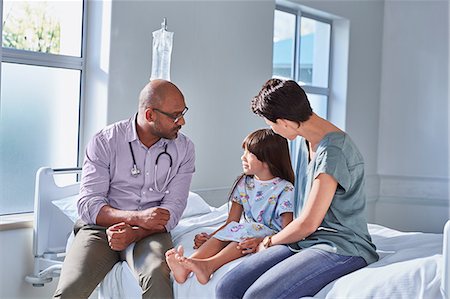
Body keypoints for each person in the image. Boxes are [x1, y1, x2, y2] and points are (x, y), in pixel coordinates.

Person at [216, 79, 379, 299]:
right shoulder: (305, 142)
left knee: (258, 296)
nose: (272, 130)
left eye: (271, 125)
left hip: (341, 246)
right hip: (306, 240)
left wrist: (268, 242)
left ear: (284, 122)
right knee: (228, 286)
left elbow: (309, 222)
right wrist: (272, 237)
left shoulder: (333, 152)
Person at [53, 79, 195, 299]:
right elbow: (88, 205)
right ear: (150, 115)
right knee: (70, 290)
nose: (182, 121)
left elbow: (173, 209)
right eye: (175, 115)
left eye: (183, 112)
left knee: (157, 276)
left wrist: (137, 231)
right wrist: (138, 218)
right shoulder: (105, 141)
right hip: (100, 229)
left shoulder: (184, 149)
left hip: (151, 232)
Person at [165, 128, 295, 285]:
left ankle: (209, 265)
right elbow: (231, 222)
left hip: (269, 234)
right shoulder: (244, 183)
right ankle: (187, 264)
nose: (243, 157)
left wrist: (262, 240)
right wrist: (210, 237)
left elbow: (288, 230)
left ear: (268, 159)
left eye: (249, 154)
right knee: (235, 229)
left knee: (245, 231)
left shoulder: (285, 188)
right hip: (248, 230)